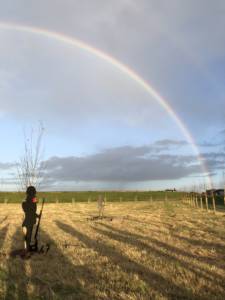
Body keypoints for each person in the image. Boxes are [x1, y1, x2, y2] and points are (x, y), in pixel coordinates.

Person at [21, 186, 39, 258]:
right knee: (28, 237)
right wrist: (37, 216)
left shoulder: (26, 201)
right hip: (30, 222)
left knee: (26, 237)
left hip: (26, 222)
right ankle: (26, 251)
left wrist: (37, 215)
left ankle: (26, 250)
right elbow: (32, 210)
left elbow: (27, 210)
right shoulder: (33, 200)